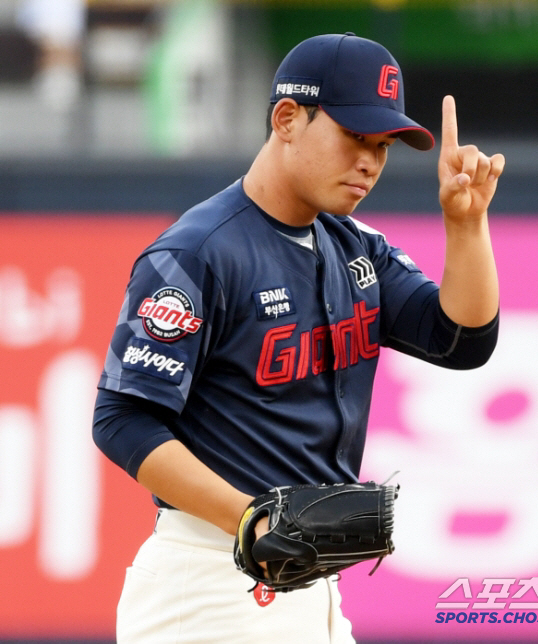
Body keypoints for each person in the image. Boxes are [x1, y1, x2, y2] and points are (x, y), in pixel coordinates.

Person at [93, 32, 504, 644]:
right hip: (211, 579)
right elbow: (123, 418)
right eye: (354, 136)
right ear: (288, 118)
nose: (370, 161)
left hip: (309, 584)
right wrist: (252, 517)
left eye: (383, 145)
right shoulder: (199, 251)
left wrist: (466, 226)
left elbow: (461, 340)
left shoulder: (354, 246)